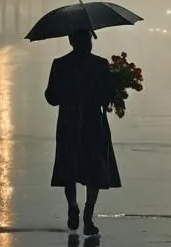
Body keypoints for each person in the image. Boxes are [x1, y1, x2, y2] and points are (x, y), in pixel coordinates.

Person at [45, 30, 121, 235]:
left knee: (69, 166)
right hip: (93, 121)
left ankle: (72, 206)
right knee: (94, 167)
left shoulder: (60, 64)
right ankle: (88, 215)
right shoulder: (100, 64)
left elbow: (51, 97)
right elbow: (107, 97)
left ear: (71, 41)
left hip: (68, 120)